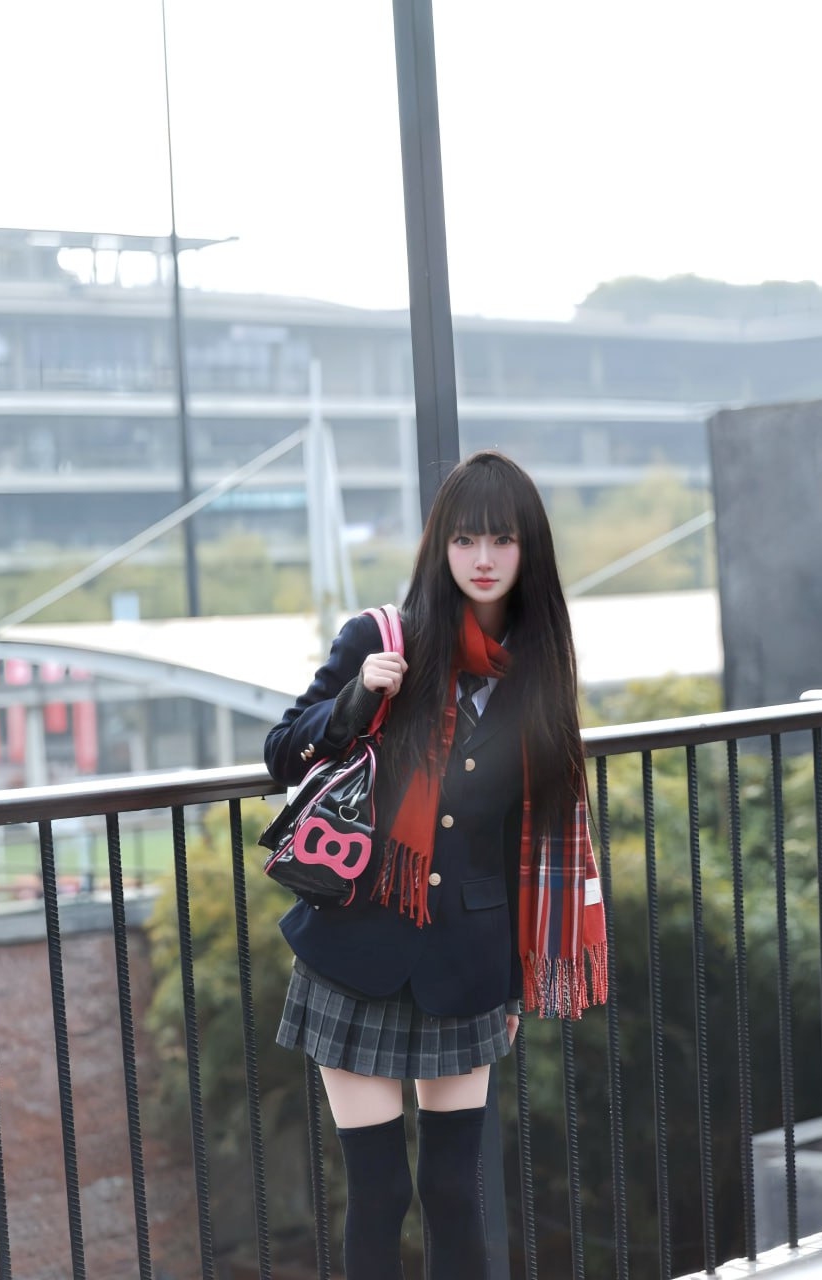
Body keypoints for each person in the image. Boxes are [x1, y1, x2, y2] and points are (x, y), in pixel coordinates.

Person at [264, 450, 607, 1280]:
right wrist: (356, 700)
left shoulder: (539, 669)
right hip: (357, 950)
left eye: (501, 540)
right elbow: (281, 751)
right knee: (379, 1192)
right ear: (440, 546)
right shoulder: (382, 638)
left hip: (468, 960)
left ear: (527, 550)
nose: (482, 558)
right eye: (464, 540)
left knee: (454, 1191)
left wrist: (516, 980)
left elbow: (528, 835)